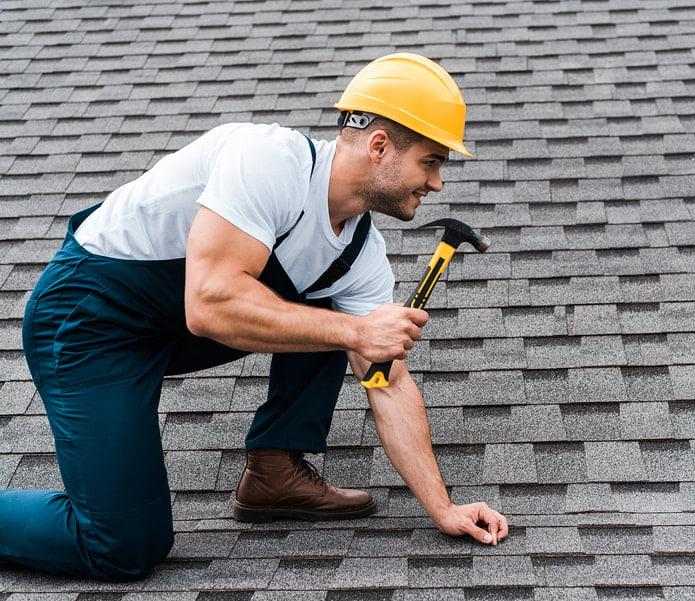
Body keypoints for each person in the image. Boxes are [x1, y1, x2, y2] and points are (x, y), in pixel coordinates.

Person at [0, 52, 508, 582]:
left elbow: (388, 382)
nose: (437, 183)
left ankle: (274, 472)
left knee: (333, 309)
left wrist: (443, 507)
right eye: (431, 161)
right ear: (380, 146)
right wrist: (357, 331)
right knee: (122, 546)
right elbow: (211, 302)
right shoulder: (267, 161)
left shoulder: (361, 256)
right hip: (88, 322)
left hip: (170, 326)